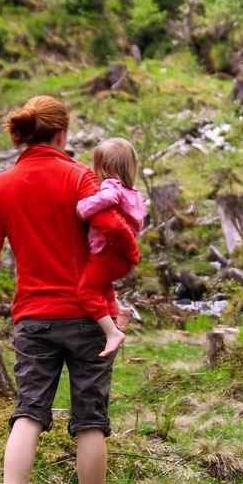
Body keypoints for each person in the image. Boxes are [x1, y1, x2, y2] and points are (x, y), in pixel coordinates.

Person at [0, 96, 140, 484]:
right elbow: (115, 235)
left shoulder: (0, 186)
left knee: (28, 414)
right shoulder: (82, 178)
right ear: (62, 134)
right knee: (90, 419)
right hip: (87, 316)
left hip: (33, 319)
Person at [76, 138, 146, 358]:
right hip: (119, 258)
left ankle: (111, 332)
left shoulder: (111, 185)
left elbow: (107, 197)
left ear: (105, 167)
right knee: (102, 286)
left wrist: (82, 207)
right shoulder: (134, 193)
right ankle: (118, 311)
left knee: (87, 291)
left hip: (107, 252)